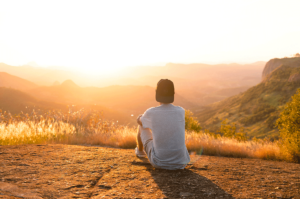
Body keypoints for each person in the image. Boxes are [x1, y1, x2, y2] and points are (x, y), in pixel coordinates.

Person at [135, 79, 190, 170]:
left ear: (157, 93)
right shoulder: (181, 111)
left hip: (159, 162)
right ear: (173, 94)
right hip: (181, 163)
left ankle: (140, 151)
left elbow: (139, 121)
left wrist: (141, 117)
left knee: (142, 125)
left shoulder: (151, 112)